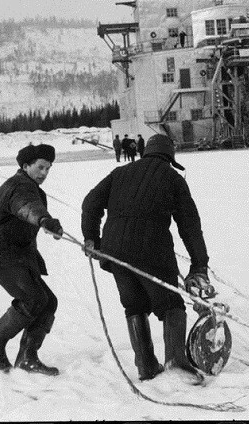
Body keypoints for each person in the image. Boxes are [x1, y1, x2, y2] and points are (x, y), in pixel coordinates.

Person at [81, 133, 213, 383]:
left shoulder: (119, 173)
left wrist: (92, 238)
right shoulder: (173, 178)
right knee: (171, 304)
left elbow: (90, 203)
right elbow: (190, 226)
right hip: (152, 249)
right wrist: (199, 264)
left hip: (114, 250)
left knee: (134, 305)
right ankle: (175, 364)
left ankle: (145, 366)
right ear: (170, 157)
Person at [0, 143, 65, 376]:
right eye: (40, 167)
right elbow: (26, 207)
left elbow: (31, 208)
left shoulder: (30, 186)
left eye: (48, 168)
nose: (44, 173)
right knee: (34, 298)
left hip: (16, 256)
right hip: (1, 255)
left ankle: (28, 357)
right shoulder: (19, 186)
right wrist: (44, 220)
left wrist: (46, 224)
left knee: (48, 302)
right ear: (25, 166)